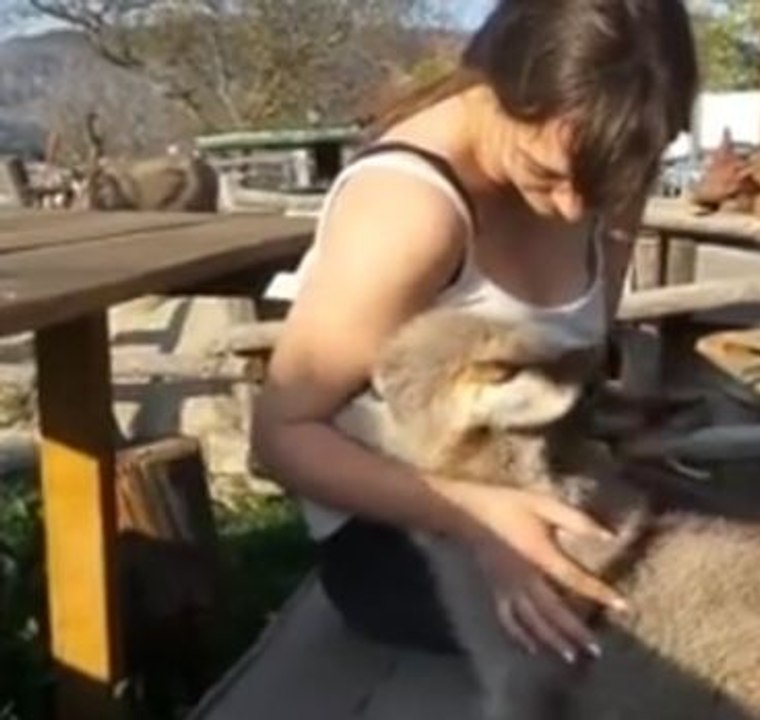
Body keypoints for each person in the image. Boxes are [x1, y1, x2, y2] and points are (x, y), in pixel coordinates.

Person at [249, 0, 700, 666]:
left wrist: (604, 422)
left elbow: (575, 357)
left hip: (552, 480)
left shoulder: (603, 154)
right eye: (545, 174)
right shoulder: (411, 212)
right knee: (665, 628)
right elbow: (279, 438)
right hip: (405, 528)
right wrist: (478, 521)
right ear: (491, 85)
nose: (576, 208)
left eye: (605, 184)